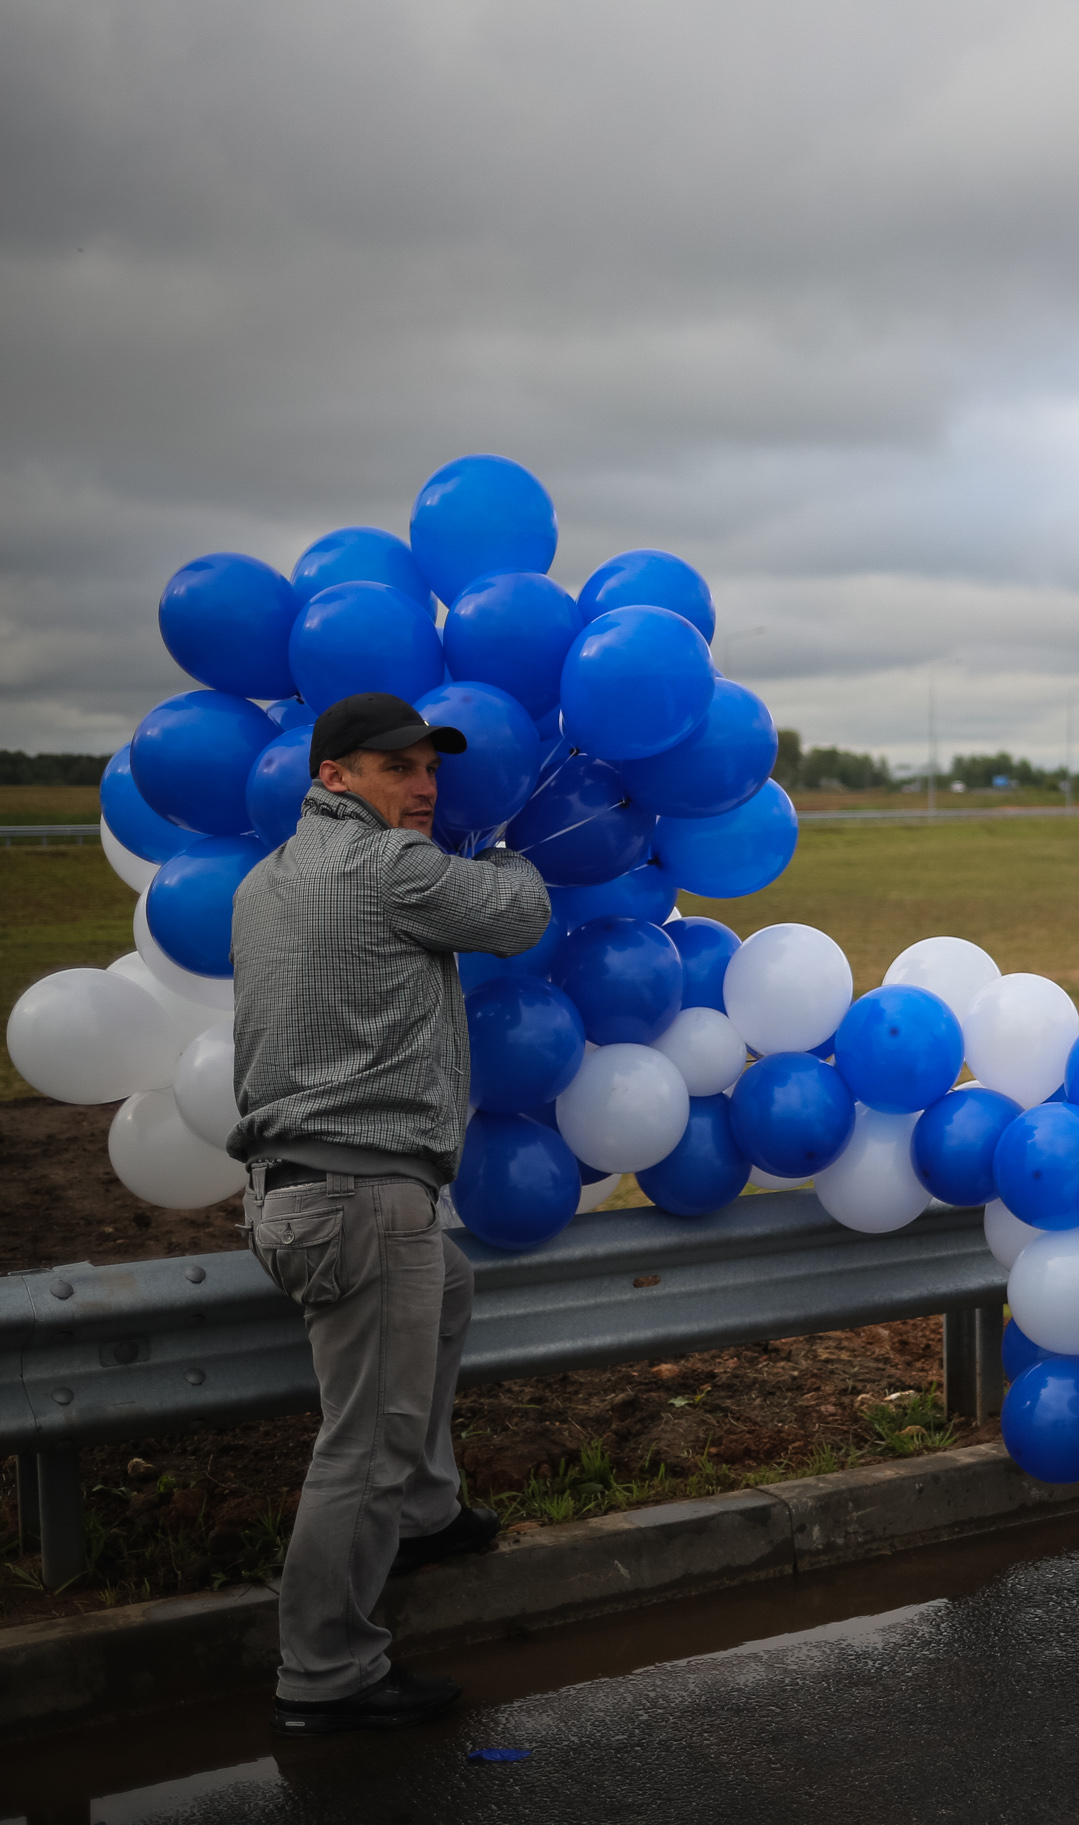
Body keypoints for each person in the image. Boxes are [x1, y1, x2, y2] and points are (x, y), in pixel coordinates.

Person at [228, 692, 552, 1735]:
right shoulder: (387, 869)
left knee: (446, 1289)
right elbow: (519, 915)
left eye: (430, 770)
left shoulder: (265, 882)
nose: (425, 787)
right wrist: (504, 849)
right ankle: (327, 1672)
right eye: (397, 769)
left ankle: (422, 1514)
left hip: (297, 1192)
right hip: (361, 1198)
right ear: (334, 776)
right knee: (364, 1440)